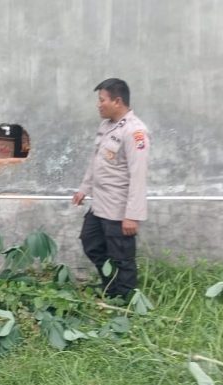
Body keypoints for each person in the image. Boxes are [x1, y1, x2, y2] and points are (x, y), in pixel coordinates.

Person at [72, 78, 150, 300]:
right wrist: (84, 189)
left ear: (117, 101)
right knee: (91, 242)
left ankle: (126, 301)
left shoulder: (135, 132)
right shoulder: (106, 126)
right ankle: (111, 288)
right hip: (99, 204)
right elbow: (96, 161)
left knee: (122, 257)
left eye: (102, 100)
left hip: (119, 209)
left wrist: (132, 215)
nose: (98, 105)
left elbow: (138, 176)